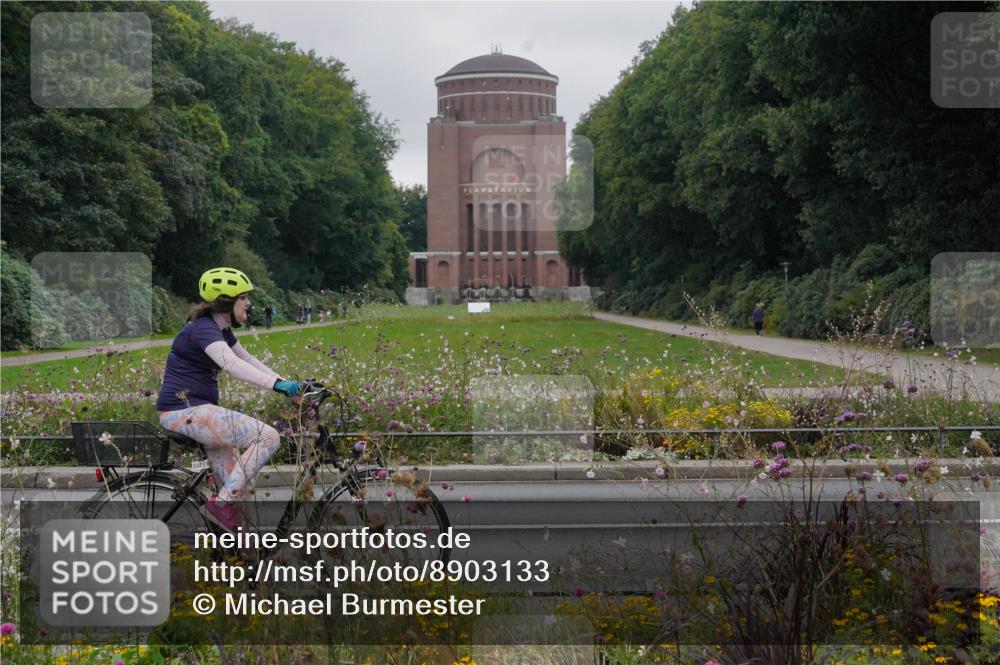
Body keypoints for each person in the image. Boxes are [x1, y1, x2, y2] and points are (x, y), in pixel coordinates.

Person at [156, 267, 302, 530]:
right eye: (243, 297)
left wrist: (287, 384)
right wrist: (278, 385)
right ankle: (219, 505)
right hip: (182, 412)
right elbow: (232, 365)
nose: (248, 303)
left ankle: (243, 557)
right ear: (225, 300)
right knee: (268, 437)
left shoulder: (219, 328)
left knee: (240, 489)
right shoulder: (201, 329)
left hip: (199, 412)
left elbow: (246, 358)